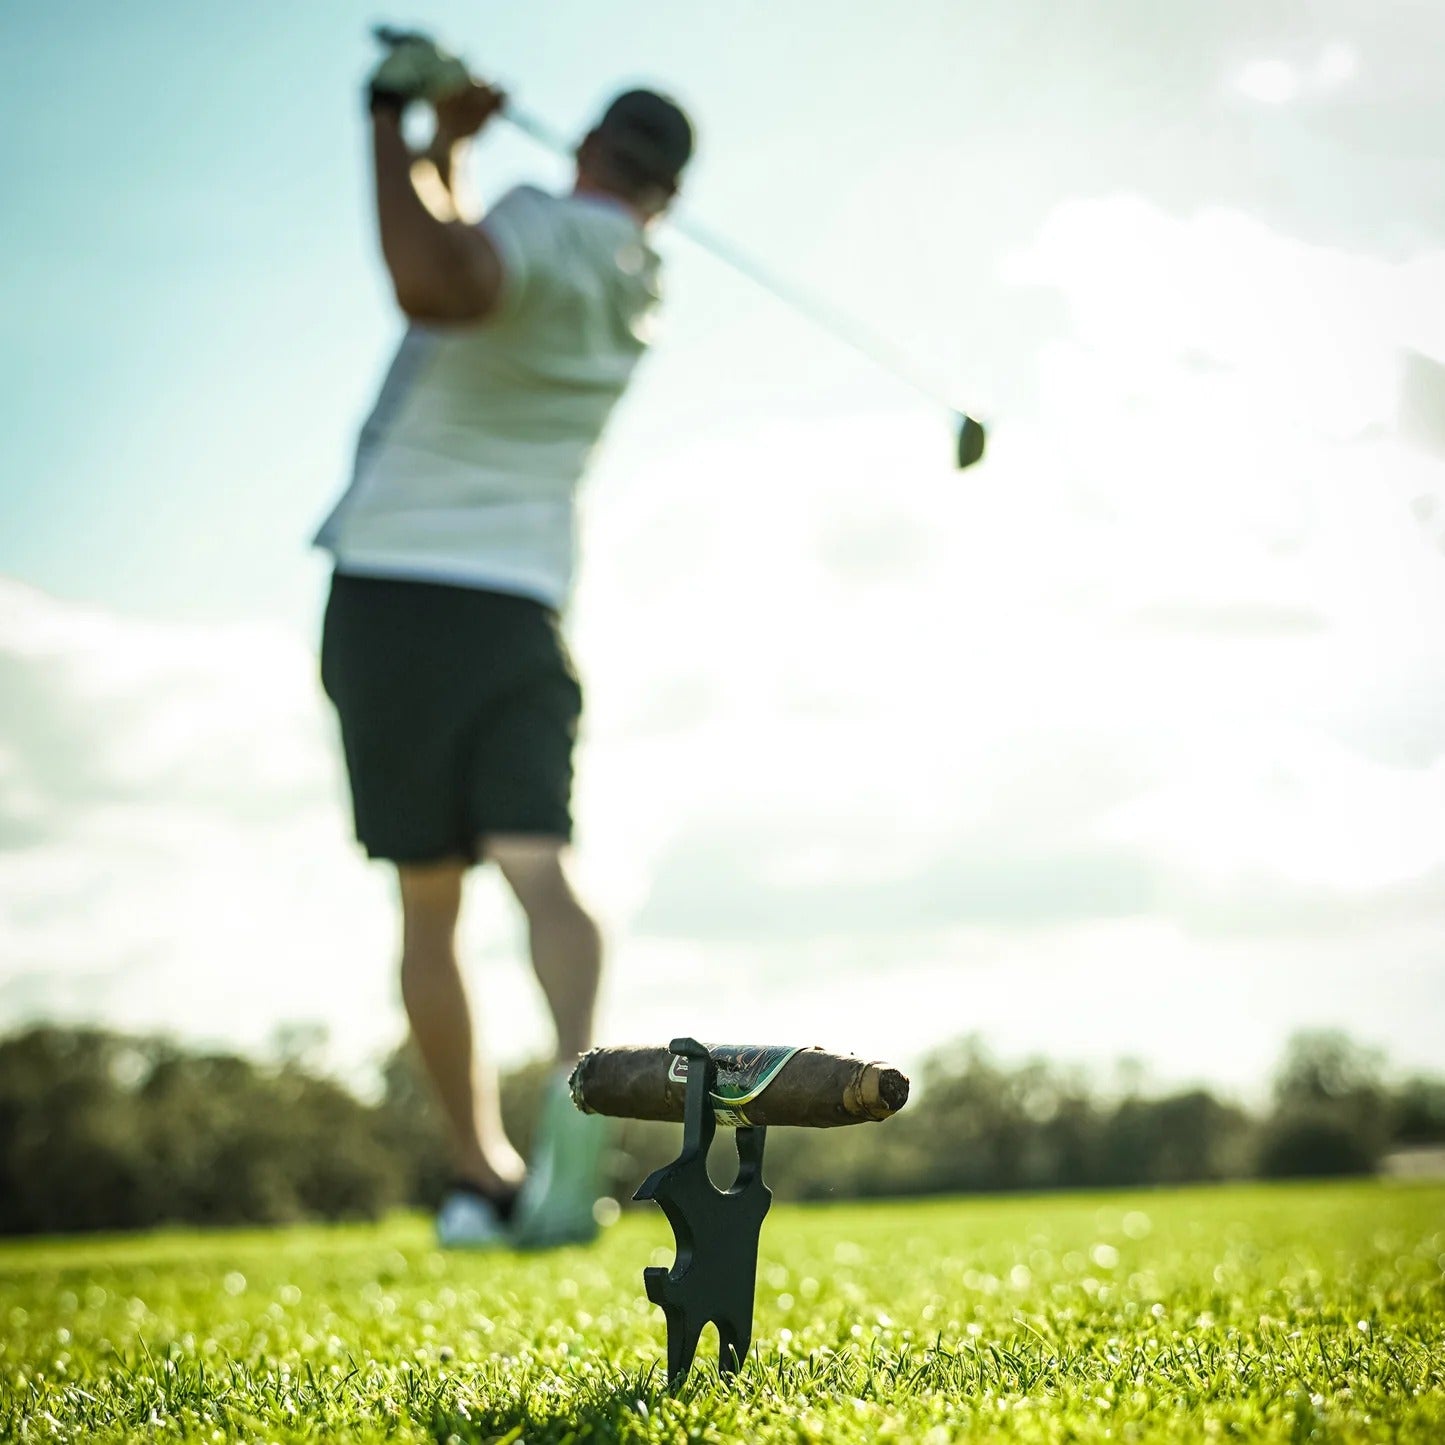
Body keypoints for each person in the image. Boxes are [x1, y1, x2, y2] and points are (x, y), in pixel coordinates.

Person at [313, 34, 695, 1248]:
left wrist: (400, 124)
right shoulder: (639, 277)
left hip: (400, 591)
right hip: (525, 604)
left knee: (429, 903)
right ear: (665, 194)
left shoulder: (543, 219)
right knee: (540, 862)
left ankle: (477, 1169)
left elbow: (436, 277)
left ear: (587, 148)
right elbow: (488, 270)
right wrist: (456, 152)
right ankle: (576, 1090)